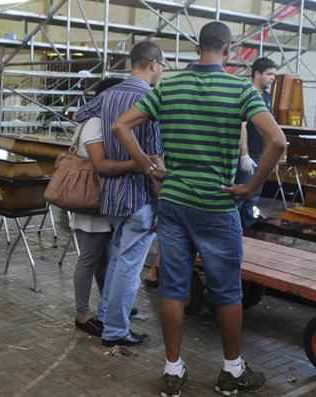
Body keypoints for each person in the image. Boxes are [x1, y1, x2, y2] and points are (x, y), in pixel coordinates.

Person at [111, 22, 287, 397]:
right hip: (218, 204)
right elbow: (277, 140)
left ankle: (173, 371)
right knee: (226, 291)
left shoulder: (169, 86)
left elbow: (121, 125)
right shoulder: (240, 88)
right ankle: (232, 371)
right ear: (229, 49)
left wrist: (147, 165)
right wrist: (251, 187)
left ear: (197, 48)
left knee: (173, 289)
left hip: (173, 202)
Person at [75, 40, 165, 347]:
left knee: (116, 261)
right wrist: (159, 193)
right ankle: (115, 330)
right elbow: (154, 156)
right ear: (153, 63)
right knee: (129, 266)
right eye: (162, 66)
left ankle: (106, 314)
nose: (162, 71)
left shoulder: (108, 95)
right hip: (139, 196)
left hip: (111, 196)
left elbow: (79, 114)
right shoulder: (150, 99)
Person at [71, 78, 141, 336]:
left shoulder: (101, 120)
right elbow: (100, 164)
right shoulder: (95, 123)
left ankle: (110, 305)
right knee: (89, 258)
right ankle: (82, 314)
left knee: (104, 259)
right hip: (91, 199)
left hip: (102, 199)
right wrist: (137, 163)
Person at [236, 57, 277, 231]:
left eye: (274, 74)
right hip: (249, 154)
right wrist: (244, 154)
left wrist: (271, 156)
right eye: (269, 74)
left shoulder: (266, 96)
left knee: (253, 196)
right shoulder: (247, 93)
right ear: (257, 74)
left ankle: (246, 230)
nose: (273, 78)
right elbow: (242, 125)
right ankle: (233, 231)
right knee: (240, 195)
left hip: (261, 154)